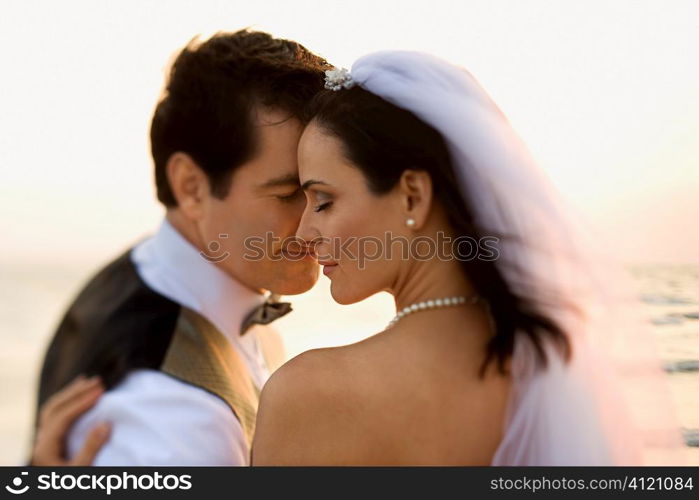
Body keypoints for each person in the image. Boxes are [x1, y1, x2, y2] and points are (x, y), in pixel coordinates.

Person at [33, 51, 684, 466]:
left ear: (410, 193)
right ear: (190, 187)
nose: (306, 229)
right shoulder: (551, 360)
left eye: (317, 197)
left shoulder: (313, 391)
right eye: (291, 194)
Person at [32, 29, 330, 465]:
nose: (316, 224)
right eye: (288, 195)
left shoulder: (132, 273)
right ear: (191, 186)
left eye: (324, 191)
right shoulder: (177, 426)